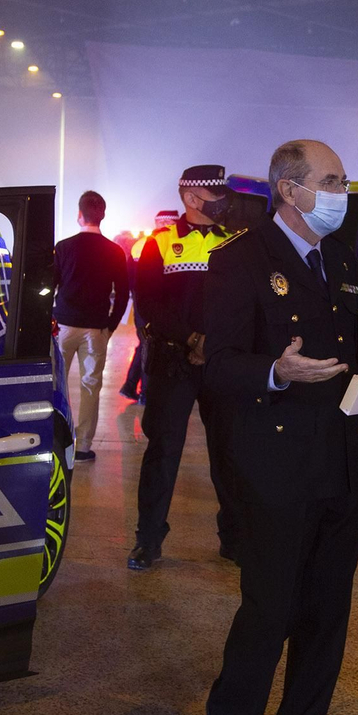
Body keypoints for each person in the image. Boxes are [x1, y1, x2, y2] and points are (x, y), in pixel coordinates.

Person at [203, 139, 358, 715]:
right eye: (330, 180)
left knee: (326, 608)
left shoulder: (337, 259)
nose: (342, 191)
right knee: (270, 604)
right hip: (275, 463)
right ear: (289, 188)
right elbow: (218, 362)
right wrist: (276, 371)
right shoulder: (240, 262)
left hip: (340, 459)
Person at [129, 171, 241, 569]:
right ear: (191, 198)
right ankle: (149, 539)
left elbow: (243, 302)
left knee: (228, 451)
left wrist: (213, 341)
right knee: (163, 451)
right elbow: (148, 303)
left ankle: (234, 537)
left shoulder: (233, 242)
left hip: (221, 363)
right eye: (213, 193)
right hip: (172, 361)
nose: (221, 200)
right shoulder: (159, 244)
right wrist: (193, 338)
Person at [52, 191, 129, 463]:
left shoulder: (63, 247)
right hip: (95, 329)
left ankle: (53, 439)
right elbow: (122, 293)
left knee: (55, 383)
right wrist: (110, 325)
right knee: (90, 386)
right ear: (103, 215)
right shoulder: (114, 251)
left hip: (63, 325)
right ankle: (83, 447)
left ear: (79, 213)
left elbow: (51, 285)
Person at [121, 210, 179, 403]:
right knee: (150, 346)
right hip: (154, 304)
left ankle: (130, 386)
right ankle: (145, 393)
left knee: (145, 344)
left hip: (140, 303)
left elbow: (129, 278)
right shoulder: (166, 243)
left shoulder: (139, 245)